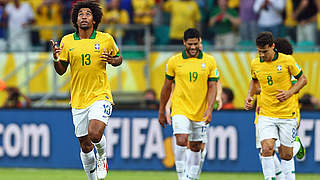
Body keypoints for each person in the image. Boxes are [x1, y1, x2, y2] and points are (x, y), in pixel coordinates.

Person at [50, 1, 122, 180]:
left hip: (100, 95)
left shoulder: (105, 39)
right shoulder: (67, 41)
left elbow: (118, 58)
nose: (83, 16)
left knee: (95, 134)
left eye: (88, 13)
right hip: (78, 99)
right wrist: (56, 58)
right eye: (80, 13)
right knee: (85, 145)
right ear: (75, 19)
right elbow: (61, 71)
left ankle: (102, 158)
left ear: (94, 19)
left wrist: (113, 61)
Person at [245, 32, 307, 180]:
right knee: (265, 148)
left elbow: (303, 80)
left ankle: (294, 150)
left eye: (265, 51)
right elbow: (254, 81)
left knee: (286, 154)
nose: (262, 55)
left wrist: (289, 92)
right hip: (266, 113)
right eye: (259, 51)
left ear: (273, 46)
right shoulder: (256, 63)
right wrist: (250, 96)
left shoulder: (287, 61)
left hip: (287, 114)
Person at [158, 28, 219, 180]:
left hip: (201, 110)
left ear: (200, 42)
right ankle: (181, 176)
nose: (193, 47)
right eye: (190, 44)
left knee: (196, 146)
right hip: (180, 108)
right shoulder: (174, 61)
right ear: (184, 42)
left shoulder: (209, 61)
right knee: (181, 139)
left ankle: (192, 177)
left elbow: (213, 87)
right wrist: (161, 110)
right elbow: (166, 88)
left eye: (196, 44)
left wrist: (210, 109)